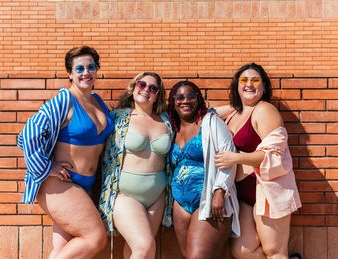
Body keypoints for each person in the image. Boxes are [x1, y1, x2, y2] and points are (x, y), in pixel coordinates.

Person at [17, 46, 111, 258]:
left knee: (62, 251)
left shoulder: (97, 100)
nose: (85, 72)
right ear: (70, 73)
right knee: (96, 238)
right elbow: (29, 133)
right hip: (61, 184)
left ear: (97, 70)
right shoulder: (64, 100)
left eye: (90, 67)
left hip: (83, 186)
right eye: (79, 68)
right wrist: (46, 167)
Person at [214, 63, 302, 259]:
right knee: (241, 251)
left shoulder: (264, 110)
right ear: (237, 85)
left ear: (264, 86)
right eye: (244, 81)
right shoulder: (234, 114)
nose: (249, 85)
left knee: (274, 251)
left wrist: (237, 158)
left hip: (267, 191)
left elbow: (275, 153)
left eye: (255, 81)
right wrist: (237, 104)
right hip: (243, 197)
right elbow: (207, 115)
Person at [99, 72, 173, 259]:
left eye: (153, 88)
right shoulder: (118, 118)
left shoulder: (167, 120)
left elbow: (204, 114)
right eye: (142, 84)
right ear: (133, 88)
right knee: (145, 246)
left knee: (136, 250)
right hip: (125, 195)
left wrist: (240, 107)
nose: (147, 89)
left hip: (157, 197)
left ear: (158, 94)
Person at [167, 80, 240, 259]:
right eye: (180, 97)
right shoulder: (172, 127)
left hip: (208, 199)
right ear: (173, 102)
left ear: (199, 100)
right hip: (180, 204)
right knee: (187, 255)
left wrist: (220, 191)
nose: (186, 101)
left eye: (191, 96)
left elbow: (228, 156)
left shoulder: (210, 122)